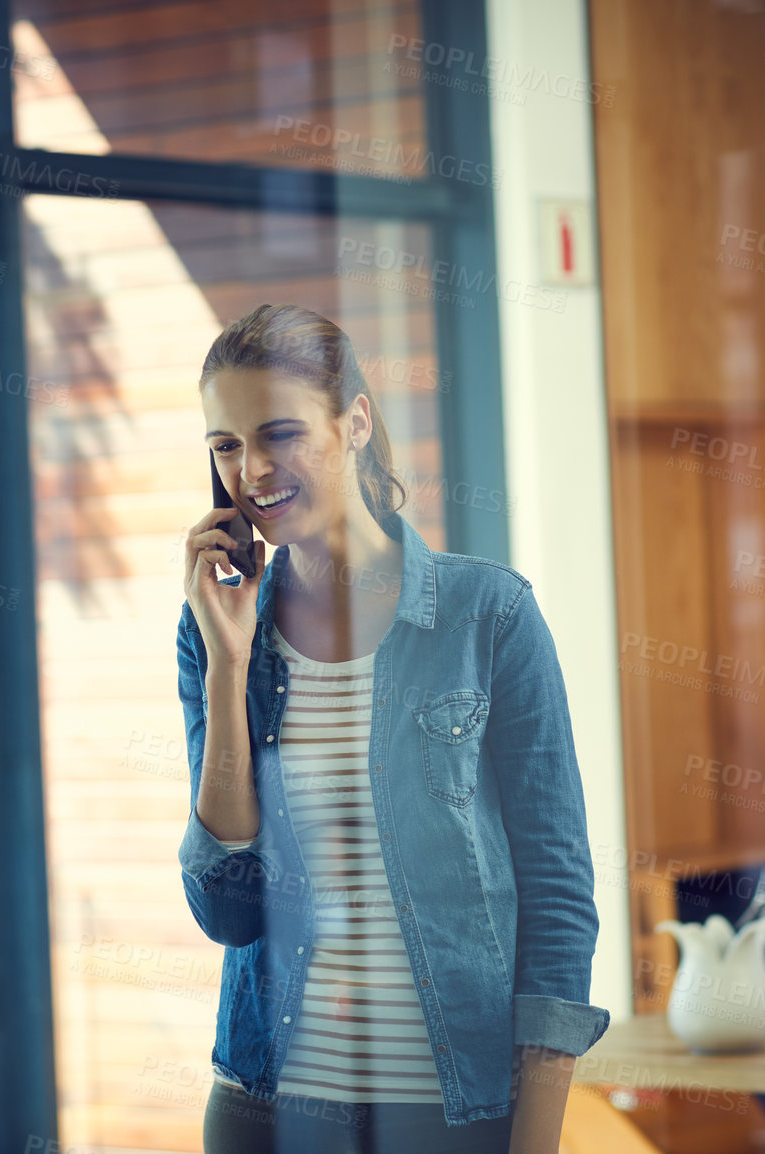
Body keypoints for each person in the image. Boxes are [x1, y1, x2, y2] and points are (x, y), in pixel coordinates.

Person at [176, 304, 609, 1154]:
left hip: (454, 1115)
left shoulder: (489, 616)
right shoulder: (215, 630)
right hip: (269, 1110)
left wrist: (537, 1138)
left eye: (280, 433)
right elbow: (225, 909)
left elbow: (558, 895)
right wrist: (229, 664)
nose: (252, 470)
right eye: (225, 445)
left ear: (357, 423)